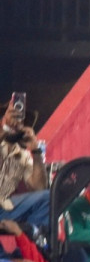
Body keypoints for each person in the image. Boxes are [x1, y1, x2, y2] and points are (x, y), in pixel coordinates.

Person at [0, 93, 49, 233]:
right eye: (12, 117)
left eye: (20, 119)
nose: (15, 122)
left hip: (4, 208)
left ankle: (34, 245)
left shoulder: (21, 155)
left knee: (47, 198)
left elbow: (39, 189)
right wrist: (5, 128)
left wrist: (36, 151)